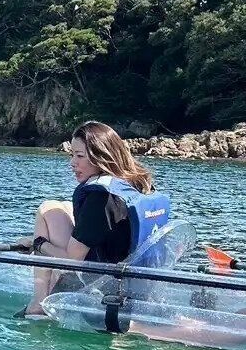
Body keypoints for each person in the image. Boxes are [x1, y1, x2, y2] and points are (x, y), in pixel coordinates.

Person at [20, 120, 171, 315]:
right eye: (72, 154)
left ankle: (39, 303)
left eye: (79, 156)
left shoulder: (102, 197)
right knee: (62, 206)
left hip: (105, 283)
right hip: (139, 282)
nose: (72, 163)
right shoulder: (137, 182)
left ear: (102, 157)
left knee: (48, 209)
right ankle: (45, 292)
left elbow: (72, 260)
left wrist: (37, 244)